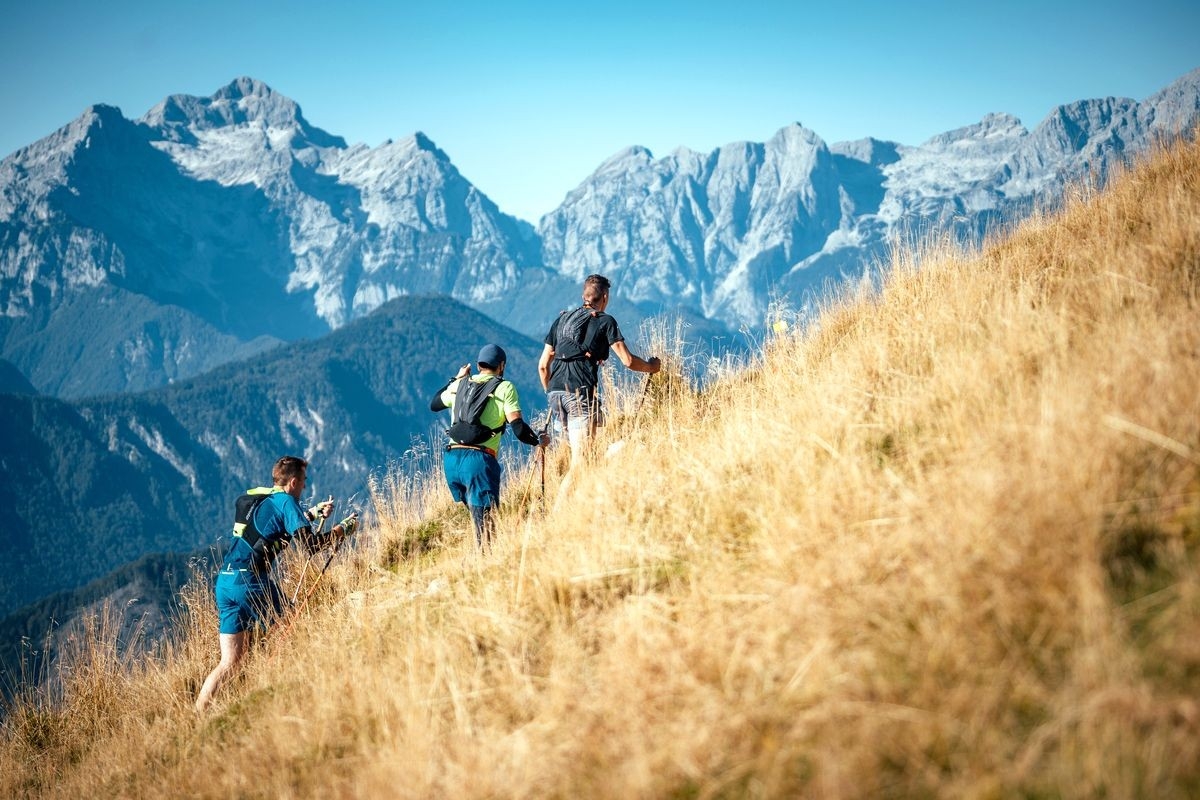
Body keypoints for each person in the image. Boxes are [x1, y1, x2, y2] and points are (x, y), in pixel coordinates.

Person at [194, 455, 357, 713]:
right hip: (250, 580)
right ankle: (286, 700)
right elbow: (311, 546)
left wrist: (314, 513)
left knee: (230, 662)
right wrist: (342, 530)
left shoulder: (267, 498)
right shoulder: (287, 502)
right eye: (303, 481)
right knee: (295, 628)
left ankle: (197, 716)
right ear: (293, 482)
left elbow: (277, 525)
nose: (304, 486)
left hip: (226, 581)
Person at [430, 344, 548, 548]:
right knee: (486, 528)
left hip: (451, 460)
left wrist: (456, 378)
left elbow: (434, 404)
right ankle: (485, 561)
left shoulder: (460, 385)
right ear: (502, 366)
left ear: (478, 365)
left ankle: (478, 558)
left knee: (479, 520)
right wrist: (538, 441)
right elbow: (519, 428)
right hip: (479, 462)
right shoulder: (505, 387)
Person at [538, 273, 661, 461]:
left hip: (555, 395)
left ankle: (603, 467)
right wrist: (651, 367)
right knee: (580, 464)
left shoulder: (561, 320)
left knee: (586, 457)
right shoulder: (605, 321)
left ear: (583, 296)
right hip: (578, 394)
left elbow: (543, 366)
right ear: (605, 297)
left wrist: (551, 392)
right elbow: (628, 361)